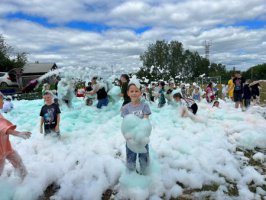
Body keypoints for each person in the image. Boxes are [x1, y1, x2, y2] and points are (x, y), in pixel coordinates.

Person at [121, 82, 151, 175]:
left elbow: (146, 121)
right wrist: (128, 136)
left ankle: (145, 171)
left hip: (142, 136)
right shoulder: (126, 108)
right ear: (128, 93)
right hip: (130, 137)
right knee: (130, 155)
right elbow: (125, 124)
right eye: (132, 91)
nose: (134, 93)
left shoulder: (144, 105)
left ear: (140, 93)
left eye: (136, 91)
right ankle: (131, 173)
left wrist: (143, 135)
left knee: (144, 154)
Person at [0, 92, 31, 179]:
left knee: (18, 162)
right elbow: (2, 128)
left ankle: (26, 181)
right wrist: (18, 133)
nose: (3, 102)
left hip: (6, 147)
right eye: (1, 100)